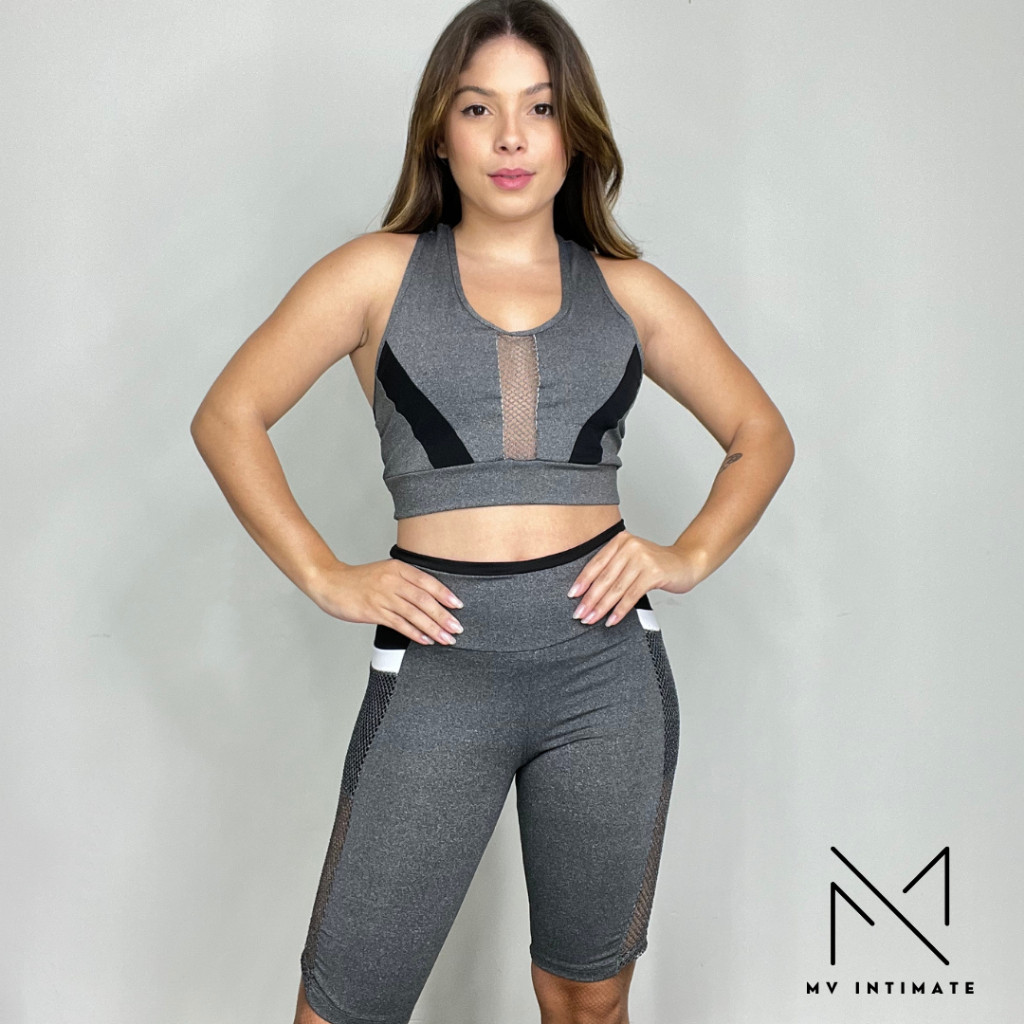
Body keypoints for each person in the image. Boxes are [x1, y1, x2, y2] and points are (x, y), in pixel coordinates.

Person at [190, 2, 794, 1022]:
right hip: (439, 673)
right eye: (479, 108)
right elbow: (228, 415)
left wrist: (685, 556)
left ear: (575, 133)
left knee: (586, 996)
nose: (511, 137)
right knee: (342, 1008)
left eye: (540, 108)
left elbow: (760, 434)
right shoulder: (373, 274)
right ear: (440, 131)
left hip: (605, 676)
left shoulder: (631, 292)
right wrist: (325, 574)